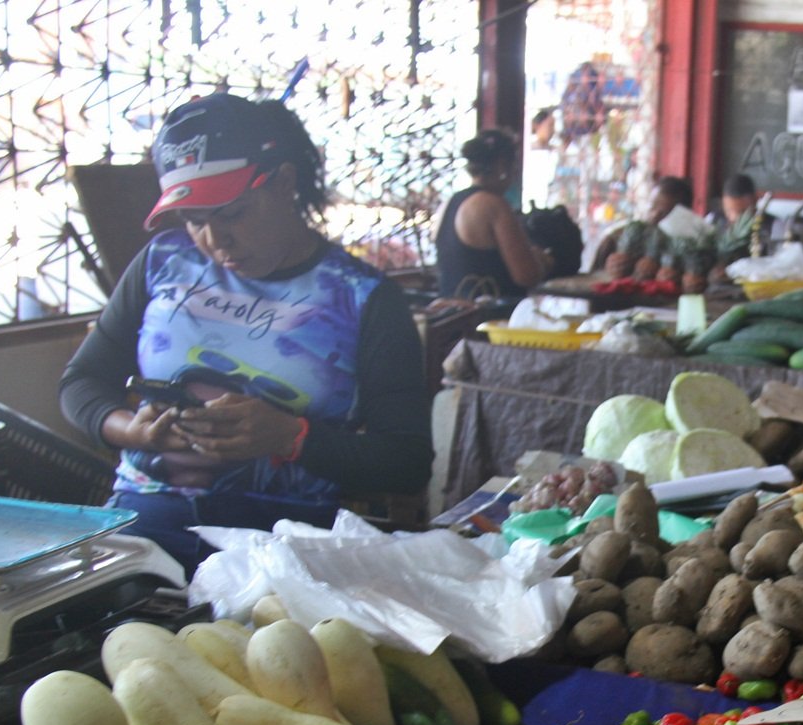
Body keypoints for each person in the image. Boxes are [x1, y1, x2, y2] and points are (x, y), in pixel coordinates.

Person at [59, 92, 434, 571]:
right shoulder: (162, 264)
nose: (215, 241)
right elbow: (81, 382)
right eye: (194, 220)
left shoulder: (363, 298)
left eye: (232, 213)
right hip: (149, 525)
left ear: (283, 182)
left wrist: (290, 437)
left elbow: (406, 461)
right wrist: (131, 431)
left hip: (285, 543)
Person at [435, 129, 550, 302]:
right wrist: (542, 261)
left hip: (452, 318)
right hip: (489, 319)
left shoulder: (449, 203)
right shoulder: (493, 205)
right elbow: (526, 275)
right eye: (514, 167)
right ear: (503, 166)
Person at [709, 173, 780, 263]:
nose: (734, 217)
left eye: (742, 212)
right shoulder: (712, 220)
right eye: (728, 211)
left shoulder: (774, 226)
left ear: (755, 200)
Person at [521, 107, 557, 211]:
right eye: (550, 125)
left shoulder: (554, 150)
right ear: (537, 125)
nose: (552, 130)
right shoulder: (529, 149)